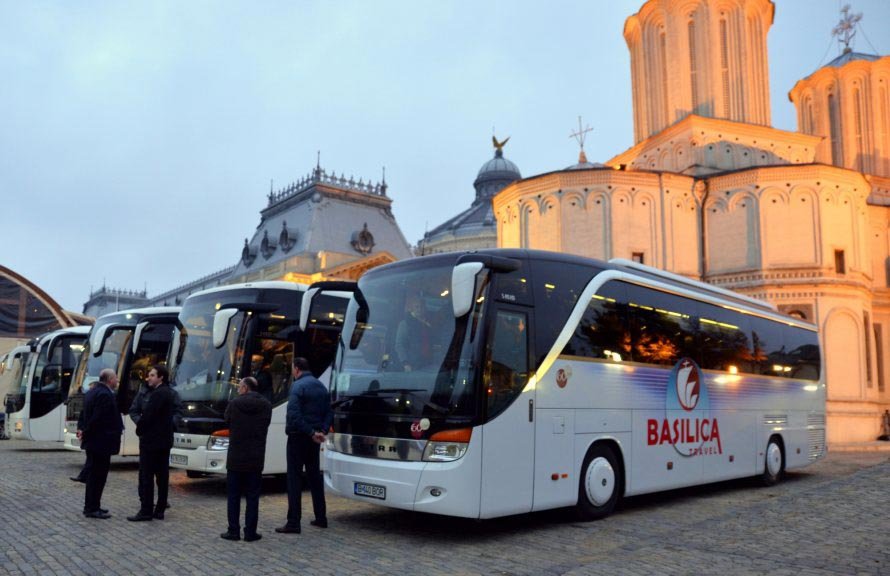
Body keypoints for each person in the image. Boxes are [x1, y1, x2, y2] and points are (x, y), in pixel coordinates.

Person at [276, 357, 331, 534]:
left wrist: (310, 432)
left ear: (297, 369)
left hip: (298, 437)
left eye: (293, 368)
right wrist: (321, 431)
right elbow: (329, 411)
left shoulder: (297, 386)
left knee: (294, 479)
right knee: (314, 477)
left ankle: (293, 522)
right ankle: (321, 517)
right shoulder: (321, 386)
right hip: (314, 439)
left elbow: (294, 414)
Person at [220, 376, 272, 542]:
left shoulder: (234, 403)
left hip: (236, 456)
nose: (238, 390)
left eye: (239, 387)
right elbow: (266, 424)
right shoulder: (266, 405)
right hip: (255, 456)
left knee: (233, 496)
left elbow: (226, 420)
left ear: (245, 388)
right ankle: (250, 532)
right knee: (252, 496)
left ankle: (233, 530)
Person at [128, 365, 176, 521]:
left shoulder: (158, 394)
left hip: (152, 442)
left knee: (147, 476)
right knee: (162, 476)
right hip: (163, 441)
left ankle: (146, 510)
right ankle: (159, 509)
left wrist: (140, 429)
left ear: (161, 377)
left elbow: (148, 416)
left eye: (153, 375)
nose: (149, 378)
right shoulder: (168, 393)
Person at [81, 369, 124, 519]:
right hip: (101, 441)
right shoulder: (105, 394)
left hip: (95, 441)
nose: (117, 381)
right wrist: (87, 432)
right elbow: (98, 418)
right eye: (116, 378)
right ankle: (92, 508)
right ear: (110, 379)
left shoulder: (92, 391)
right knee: (98, 477)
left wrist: (84, 431)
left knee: (94, 476)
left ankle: (93, 505)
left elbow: (85, 415)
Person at [394, 292, 434, 371]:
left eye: (422, 307)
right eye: (417, 307)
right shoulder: (405, 324)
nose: (419, 309)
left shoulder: (428, 324)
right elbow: (399, 345)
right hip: (412, 365)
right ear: (412, 308)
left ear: (425, 308)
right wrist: (405, 363)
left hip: (428, 364)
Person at [70, 380, 99, 483]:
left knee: (91, 458)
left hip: (92, 434)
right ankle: (86, 476)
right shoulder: (87, 402)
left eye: (91, 389)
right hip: (87, 433)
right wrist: (80, 429)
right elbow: (82, 417)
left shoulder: (97, 402)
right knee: (90, 457)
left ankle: (84, 476)